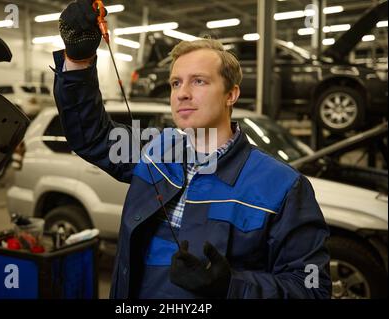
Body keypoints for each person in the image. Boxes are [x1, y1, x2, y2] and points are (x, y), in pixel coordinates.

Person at [52, 0, 331, 299]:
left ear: (231, 94)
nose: (182, 93)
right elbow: (91, 137)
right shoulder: (155, 150)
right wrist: (78, 61)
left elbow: (311, 288)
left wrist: (232, 287)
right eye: (175, 83)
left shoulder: (283, 187)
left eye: (199, 81)